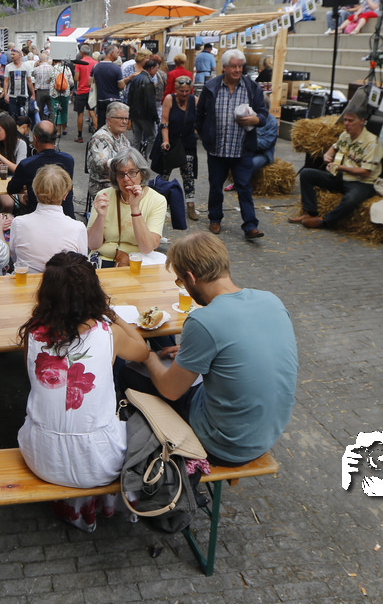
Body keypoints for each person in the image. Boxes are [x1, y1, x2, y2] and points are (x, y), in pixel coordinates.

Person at [139, 232, 297, 466]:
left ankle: (151, 455)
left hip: (225, 445)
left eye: (180, 281)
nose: (183, 286)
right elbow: (240, 344)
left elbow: (171, 391)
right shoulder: (271, 301)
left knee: (132, 374)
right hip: (266, 436)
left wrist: (147, 355)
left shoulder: (203, 320)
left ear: (190, 277)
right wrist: (194, 350)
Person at [17, 251, 148, 530]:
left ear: (46, 293)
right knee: (140, 416)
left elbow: (32, 379)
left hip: (40, 457)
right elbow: (143, 351)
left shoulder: (33, 333)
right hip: (100, 461)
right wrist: (114, 316)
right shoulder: (108, 332)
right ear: (93, 292)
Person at [196, 48, 267, 239]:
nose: (237, 70)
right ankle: (215, 218)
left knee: (244, 188)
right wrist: (204, 135)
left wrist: (256, 120)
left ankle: (250, 226)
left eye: (240, 66)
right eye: (233, 66)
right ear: (225, 68)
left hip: (242, 150)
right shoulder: (211, 87)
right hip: (217, 150)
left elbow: (263, 114)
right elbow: (199, 114)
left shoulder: (252, 88)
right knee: (215, 187)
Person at [290, 108, 383, 229]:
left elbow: (366, 172)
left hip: (361, 182)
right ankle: (310, 213)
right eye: (345, 120)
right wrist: (327, 155)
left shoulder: (371, 142)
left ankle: (325, 222)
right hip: (341, 176)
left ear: (362, 121)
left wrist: (341, 168)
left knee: (351, 199)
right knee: (306, 174)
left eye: (350, 121)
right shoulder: (345, 135)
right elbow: (334, 147)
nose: (346, 123)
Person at [87, 148, 166, 266]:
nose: (126, 179)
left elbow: (147, 248)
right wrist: (101, 216)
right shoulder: (104, 195)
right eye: (120, 174)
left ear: (142, 174)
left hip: (137, 263)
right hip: (102, 260)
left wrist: (135, 209)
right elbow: (92, 245)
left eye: (132, 172)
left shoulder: (157, 200)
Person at [10, 167, 88, 273]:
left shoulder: (18, 223)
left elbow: (15, 259)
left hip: (26, 280)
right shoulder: (78, 227)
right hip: (62, 282)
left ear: (35, 191)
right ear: (65, 195)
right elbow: (81, 263)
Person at [153, 74, 200, 221]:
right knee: (165, 174)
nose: (184, 94)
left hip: (187, 142)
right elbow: (164, 121)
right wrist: (165, 140)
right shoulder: (170, 99)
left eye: (187, 91)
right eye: (181, 91)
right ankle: (159, 204)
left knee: (188, 175)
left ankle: (190, 205)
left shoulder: (194, 100)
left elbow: (200, 120)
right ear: (176, 90)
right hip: (171, 141)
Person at [7, 121, 75, 219]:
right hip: (66, 216)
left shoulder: (27, 164)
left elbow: (12, 189)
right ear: (55, 138)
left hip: (36, 217)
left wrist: (28, 191)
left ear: (35, 139)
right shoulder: (69, 160)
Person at [86, 101, 132, 203]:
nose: (124, 122)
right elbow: (100, 164)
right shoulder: (100, 138)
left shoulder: (122, 137)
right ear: (109, 120)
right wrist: (121, 164)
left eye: (126, 118)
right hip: (103, 185)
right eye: (120, 118)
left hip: (121, 182)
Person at [125, 58, 160, 155]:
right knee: (152, 137)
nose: (156, 72)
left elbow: (130, 96)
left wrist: (130, 112)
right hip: (145, 115)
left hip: (135, 114)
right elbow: (151, 102)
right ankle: (145, 156)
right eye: (156, 70)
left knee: (137, 138)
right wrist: (156, 117)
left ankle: (134, 157)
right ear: (151, 68)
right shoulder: (149, 81)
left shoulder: (136, 78)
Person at [91, 47, 123, 130]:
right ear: (111, 53)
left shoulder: (95, 67)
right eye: (117, 52)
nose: (118, 55)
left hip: (101, 99)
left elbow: (89, 83)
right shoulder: (117, 69)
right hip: (114, 99)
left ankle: (101, 136)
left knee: (101, 123)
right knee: (114, 124)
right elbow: (121, 86)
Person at [2, 49, 32, 121]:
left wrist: (33, 94)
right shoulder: (8, 67)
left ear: (19, 55)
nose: (12, 56)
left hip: (23, 95)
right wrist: (5, 94)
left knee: (23, 116)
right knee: (13, 115)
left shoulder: (26, 66)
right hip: (12, 95)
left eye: (13, 54)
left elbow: (29, 81)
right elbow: (6, 81)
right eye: (11, 54)